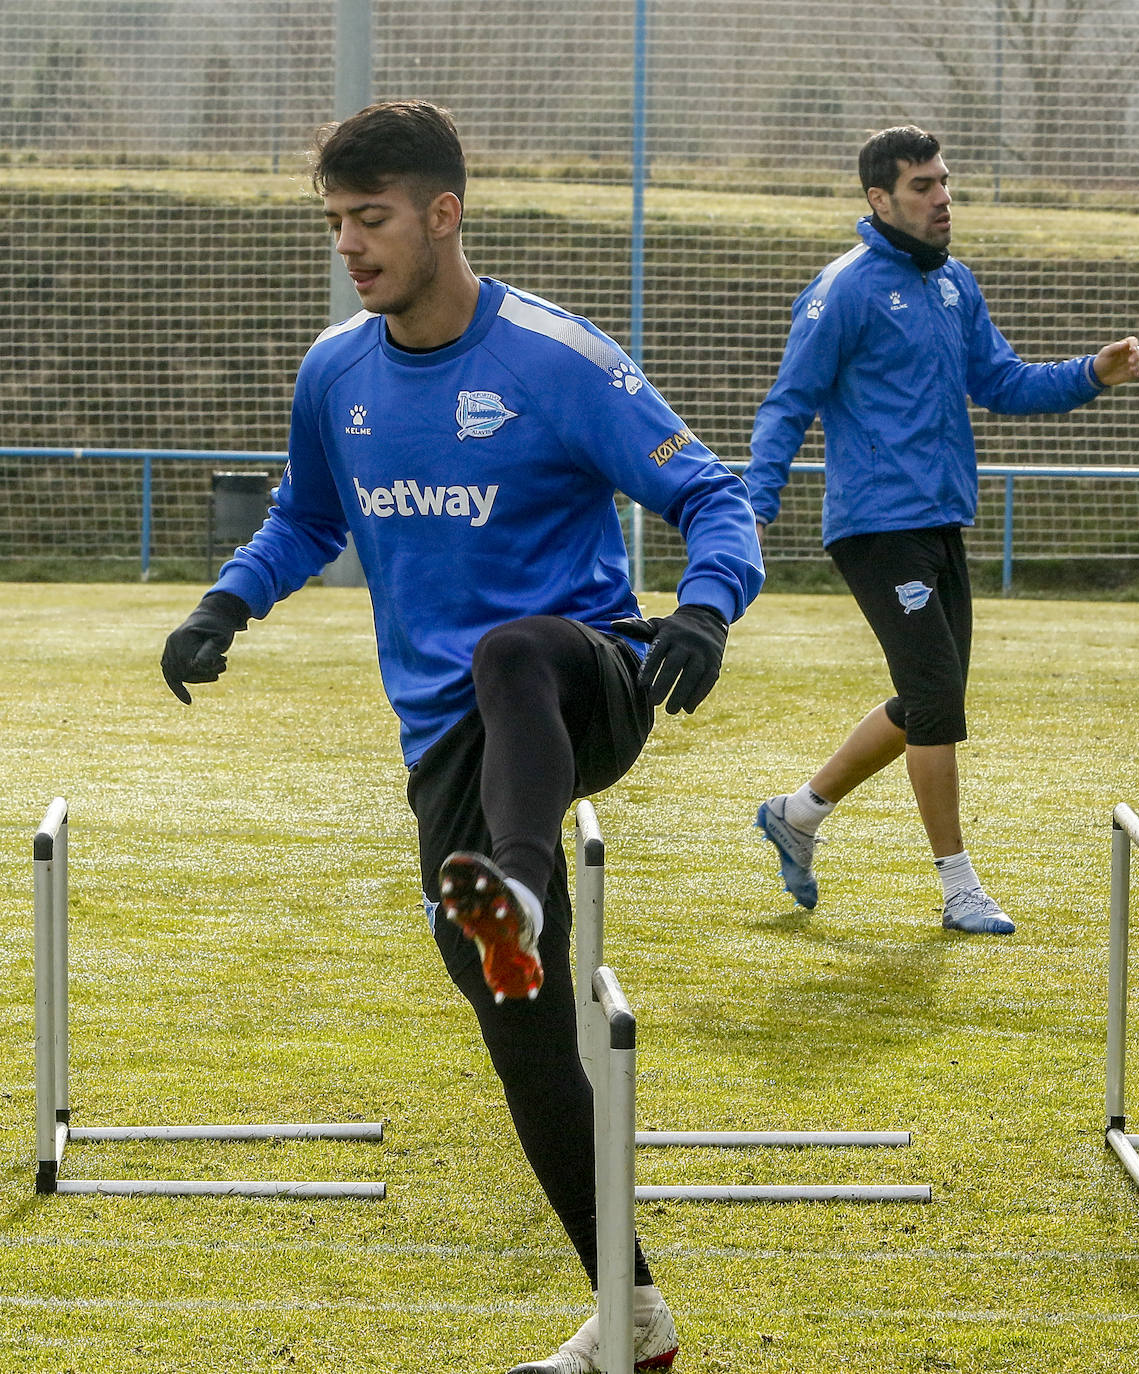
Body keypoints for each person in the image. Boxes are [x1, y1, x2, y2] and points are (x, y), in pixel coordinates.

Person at [161, 100, 762, 1373]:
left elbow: (712, 491)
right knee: (527, 1043)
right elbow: (305, 520)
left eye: (369, 220)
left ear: (443, 214)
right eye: (333, 223)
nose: (350, 247)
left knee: (511, 652)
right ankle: (633, 1314)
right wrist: (225, 604)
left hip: (581, 678)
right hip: (451, 753)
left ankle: (525, 891)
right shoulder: (336, 371)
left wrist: (703, 613)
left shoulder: (553, 359)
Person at [744, 125, 1139, 936]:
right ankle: (959, 887)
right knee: (934, 698)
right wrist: (752, 505)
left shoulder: (955, 285)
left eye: (944, 182)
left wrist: (1088, 374)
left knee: (930, 699)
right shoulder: (844, 290)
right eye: (923, 186)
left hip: (939, 522)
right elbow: (789, 402)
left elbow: (1000, 381)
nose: (942, 198)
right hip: (874, 527)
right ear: (878, 199)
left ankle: (797, 812)